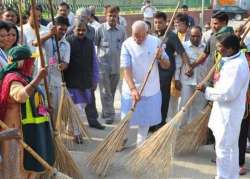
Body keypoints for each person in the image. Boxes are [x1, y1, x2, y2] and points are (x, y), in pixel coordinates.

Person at [196, 34, 250, 179]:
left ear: (231, 49)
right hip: (224, 112)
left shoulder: (236, 66)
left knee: (224, 149)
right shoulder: (231, 59)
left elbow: (227, 93)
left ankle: (224, 177)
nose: (218, 49)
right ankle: (231, 176)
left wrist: (206, 90)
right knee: (230, 148)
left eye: (221, 47)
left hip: (228, 114)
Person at [0, 45, 54, 179]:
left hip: (31, 129)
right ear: (23, 62)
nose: (33, 63)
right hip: (15, 131)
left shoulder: (25, 77)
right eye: (31, 60)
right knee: (17, 167)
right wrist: (39, 78)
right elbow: (21, 96)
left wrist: (45, 109)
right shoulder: (12, 78)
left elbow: (32, 102)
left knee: (30, 165)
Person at [120, 20, 169, 146]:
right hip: (131, 88)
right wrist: (132, 89)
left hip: (151, 89)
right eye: (136, 35)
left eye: (142, 36)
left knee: (145, 120)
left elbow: (166, 65)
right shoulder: (127, 44)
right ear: (131, 32)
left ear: (147, 33)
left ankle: (140, 145)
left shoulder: (156, 42)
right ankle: (122, 139)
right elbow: (126, 69)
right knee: (126, 118)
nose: (139, 39)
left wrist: (160, 57)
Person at [150, 11, 191, 131]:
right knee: (153, 97)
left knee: (164, 97)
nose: (158, 24)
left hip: (166, 73)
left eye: (160, 22)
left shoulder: (171, 36)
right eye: (156, 22)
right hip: (153, 73)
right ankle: (152, 122)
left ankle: (161, 122)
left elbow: (181, 52)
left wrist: (188, 66)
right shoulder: (152, 36)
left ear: (166, 22)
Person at [64, 18, 103, 144]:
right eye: (78, 30)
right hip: (72, 82)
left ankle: (71, 129)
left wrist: (95, 79)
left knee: (81, 107)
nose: (81, 32)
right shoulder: (68, 42)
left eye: (83, 30)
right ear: (73, 30)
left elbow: (94, 62)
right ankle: (77, 133)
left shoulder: (90, 43)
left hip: (86, 81)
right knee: (77, 110)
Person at [34, 16, 70, 121]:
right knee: (42, 109)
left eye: (65, 29)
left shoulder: (66, 44)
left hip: (55, 82)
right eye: (60, 29)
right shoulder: (44, 36)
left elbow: (66, 63)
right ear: (54, 27)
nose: (63, 32)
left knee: (54, 109)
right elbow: (35, 43)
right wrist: (50, 34)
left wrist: (63, 66)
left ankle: (54, 131)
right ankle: (46, 131)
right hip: (41, 81)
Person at [95, 5, 126, 124]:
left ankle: (105, 110)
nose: (112, 18)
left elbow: (125, 47)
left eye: (115, 16)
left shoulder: (122, 30)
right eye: (110, 15)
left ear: (118, 16)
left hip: (117, 66)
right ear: (105, 16)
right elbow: (95, 46)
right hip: (103, 66)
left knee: (112, 91)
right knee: (105, 91)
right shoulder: (100, 29)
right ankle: (109, 115)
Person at [177, 26, 207, 127]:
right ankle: (180, 128)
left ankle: (192, 129)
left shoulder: (206, 47)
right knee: (184, 105)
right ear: (189, 36)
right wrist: (176, 79)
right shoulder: (183, 47)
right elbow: (178, 64)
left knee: (198, 106)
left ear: (201, 36)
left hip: (201, 82)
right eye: (193, 36)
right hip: (186, 82)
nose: (195, 39)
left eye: (198, 36)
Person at [23, 4, 49, 77]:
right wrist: (36, 55)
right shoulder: (21, 30)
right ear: (28, 16)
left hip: (44, 69)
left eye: (40, 16)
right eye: (35, 16)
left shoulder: (46, 30)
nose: (38, 19)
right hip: (28, 69)